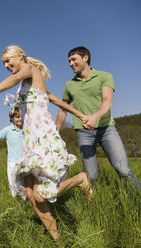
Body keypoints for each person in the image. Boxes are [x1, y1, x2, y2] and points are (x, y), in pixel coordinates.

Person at [0, 45, 93, 241]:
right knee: (31, 195)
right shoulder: (29, 83)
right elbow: (57, 100)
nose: (6, 65)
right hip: (30, 142)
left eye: (8, 60)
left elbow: (13, 79)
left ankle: (80, 179)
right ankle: (59, 241)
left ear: (20, 56)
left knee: (40, 196)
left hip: (43, 138)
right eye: (3, 63)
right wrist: (82, 115)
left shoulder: (29, 69)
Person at [56, 46, 141, 190]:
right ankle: (92, 206)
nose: (70, 63)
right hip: (84, 133)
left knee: (124, 170)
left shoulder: (104, 76)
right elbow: (63, 109)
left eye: (73, 59)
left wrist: (95, 117)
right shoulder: (69, 85)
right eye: (69, 61)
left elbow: (107, 101)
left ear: (85, 58)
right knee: (91, 176)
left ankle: (138, 197)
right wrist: (55, 131)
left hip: (107, 129)